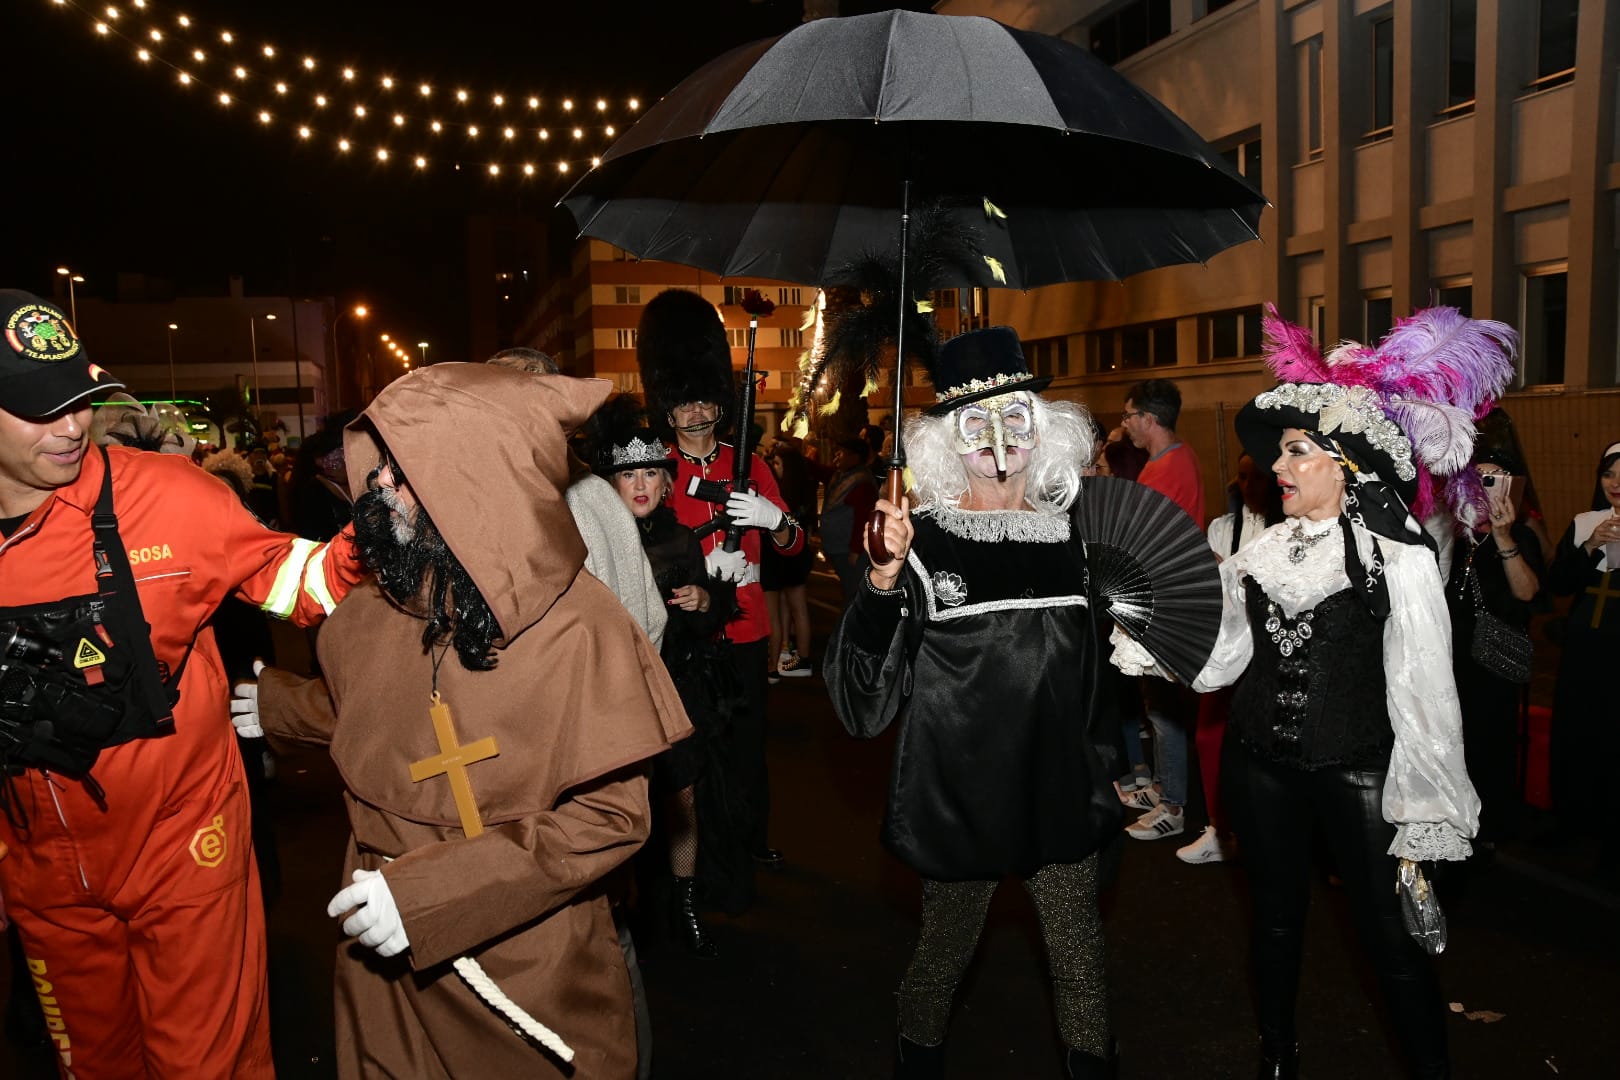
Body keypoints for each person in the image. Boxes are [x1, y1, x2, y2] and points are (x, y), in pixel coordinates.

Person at [234, 364, 691, 1078]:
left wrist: (425, 898)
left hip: (520, 974)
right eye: (379, 466)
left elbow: (609, 818)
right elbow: (378, 712)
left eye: (400, 469)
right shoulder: (377, 604)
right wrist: (278, 707)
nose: (378, 486)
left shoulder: (581, 628)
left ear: (472, 477)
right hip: (379, 962)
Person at [1115, 304, 1514, 1078]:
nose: (1280, 467)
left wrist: (1426, 805)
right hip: (1259, 763)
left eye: (1299, 451)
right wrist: (1148, 630)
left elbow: (1426, 693)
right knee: (1272, 925)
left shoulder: (1396, 562)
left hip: (1359, 766)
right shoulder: (1257, 554)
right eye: (1283, 453)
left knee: (1389, 941)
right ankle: (1277, 1057)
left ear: (1348, 464)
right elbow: (1221, 663)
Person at [0, 289, 364, 1079]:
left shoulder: (167, 494)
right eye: (38, 409)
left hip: (183, 843)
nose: (69, 428)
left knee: (208, 1067)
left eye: (80, 401)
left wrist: (377, 533)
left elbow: (297, 581)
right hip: (42, 870)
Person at [827, 326, 1120, 1079]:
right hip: (961, 794)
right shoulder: (919, 543)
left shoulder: (1076, 538)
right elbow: (861, 699)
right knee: (942, 958)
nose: (996, 440)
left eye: (1013, 416)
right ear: (946, 444)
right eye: (975, 423)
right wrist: (884, 580)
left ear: (1043, 428)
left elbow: (1092, 677)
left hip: (1059, 786)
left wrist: (1104, 758)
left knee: (1080, 959)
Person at [637, 289, 805, 872]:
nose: (696, 414)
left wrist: (772, 517)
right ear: (667, 407)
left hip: (747, 629)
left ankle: (750, 837)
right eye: (683, 404)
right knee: (691, 753)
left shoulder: (749, 464)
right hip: (686, 631)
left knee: (746, 746)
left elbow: (795, 543)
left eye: (704, 400)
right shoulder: (654, 470)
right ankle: (695, 852)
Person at [596, 403, 741, 957]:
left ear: (666, 481)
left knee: (682, 794)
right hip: (616, 690)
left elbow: (708, 614)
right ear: (612, 483)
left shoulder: (681, 540)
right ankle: (621, 909)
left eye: (651, 473)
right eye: (628, 474)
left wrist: (705, 598)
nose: (640, 484)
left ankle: (684, 899)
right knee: (622, 801)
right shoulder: (594, 539)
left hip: (677, 686)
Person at [1177, 452, 1284, 865]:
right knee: (1209, 737)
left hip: (1270, 653)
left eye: (1253, 476)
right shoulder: (1225, 527)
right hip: (1231, 645)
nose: (1245, 485)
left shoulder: (1286, 528)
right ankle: (1219, 828)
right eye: (1239, 477)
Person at [1445, 450, 1543, 847]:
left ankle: (1494, 824)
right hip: (1454, 655)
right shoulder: (1451, 532)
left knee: (1493, 743)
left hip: (1496, 659)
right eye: (1475, 480)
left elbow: (1527, 592)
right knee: (1456, 739)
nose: (1483, 489)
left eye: (1493, 480)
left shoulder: (1521, 535)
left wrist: (1503, 537)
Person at [1119, 377, 1203, 840]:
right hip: (1166, 597)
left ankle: (1173, 804)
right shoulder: (1174, 459)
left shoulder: (1167, 468)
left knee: (1166, 710)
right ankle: (1164, 788)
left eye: (1129, 416)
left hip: (1165, 601)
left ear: (1148, 419)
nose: (1125, 425)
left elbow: (1147, 538)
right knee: (1159, 708)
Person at [1547, 439, 1620, 872]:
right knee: (1576, 731)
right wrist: (1590, 545)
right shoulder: (1584, 522)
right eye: (1609, 474)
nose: (1615, 484)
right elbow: (1558, 586)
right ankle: (1570, 819)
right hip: (1583, 646)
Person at [763, 437, 817, 678]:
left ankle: (786, 659)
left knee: (785, 608)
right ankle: (792, 653)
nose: (774, 467)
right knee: (796, 608)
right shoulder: (804, 488)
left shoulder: (782, 493)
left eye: (776, 463)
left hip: (782, 556)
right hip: (798, 555)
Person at [820, 436, 880, 602]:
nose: (836, 457)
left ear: (854, 457)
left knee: (854, 591)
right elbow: (819, 470)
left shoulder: (861, 482)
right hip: (839, 547)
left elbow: (863, 519)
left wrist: (855, 550)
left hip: (848, 550)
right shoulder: (842, 475)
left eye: (841, 453)